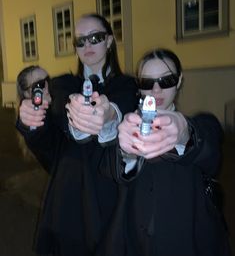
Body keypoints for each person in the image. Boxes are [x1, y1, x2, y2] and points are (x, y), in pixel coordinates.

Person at [16, 13, 138, 256]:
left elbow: (120, 109)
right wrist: (32, 122)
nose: (87, 45)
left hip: (109, 193)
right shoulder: (61, 86)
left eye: (95, 37)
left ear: (110, 41)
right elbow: (50, 146)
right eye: (80, 41)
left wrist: (108, 113)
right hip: (67, 194)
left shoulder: (128, 86)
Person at [116, 48, 231, 256]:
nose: (156, 90)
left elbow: (211, 151)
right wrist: (127, 153)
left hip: (186, 243)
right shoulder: (128, 129)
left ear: (179, 81)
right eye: (147, 83)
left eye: (166, 80)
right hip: (136, 243)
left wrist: (185, 132)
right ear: (138, 86)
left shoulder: (201, 126)